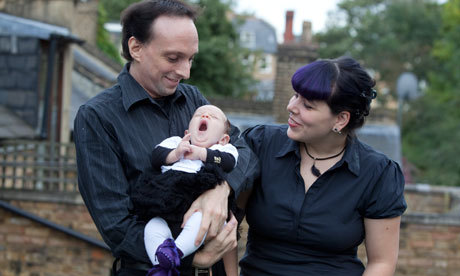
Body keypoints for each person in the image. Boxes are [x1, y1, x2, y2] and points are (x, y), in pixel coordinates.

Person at [73, 1, 258, 275]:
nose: (185, 72)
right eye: (173, 58)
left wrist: (221, 190)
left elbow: (245, 153)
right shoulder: (97, 117)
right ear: (136, 48)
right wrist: (191, 258)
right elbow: (116, 226)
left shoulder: (193, 99)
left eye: (191, 58)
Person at [238, 56, 407, 275]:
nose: (291, 106)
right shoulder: (260, 144)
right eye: (295, 95)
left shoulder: (379, 173)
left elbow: (381, 263)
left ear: (340, 120)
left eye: (307, 105)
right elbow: (226, 225)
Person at [131, 105, 239, 276]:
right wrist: (175, 154)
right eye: (199, 114)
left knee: (199, 222)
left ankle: (177, 252)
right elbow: (156, 156)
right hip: (166, 205)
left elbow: (228, 162)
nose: (205, 115)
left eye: (214, 117)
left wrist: (202, 153)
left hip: (197, 206)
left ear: (223, 139)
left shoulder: (222, 149)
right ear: (188, 131)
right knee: (153, 227)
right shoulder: (176, 142)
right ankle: (161, 263)